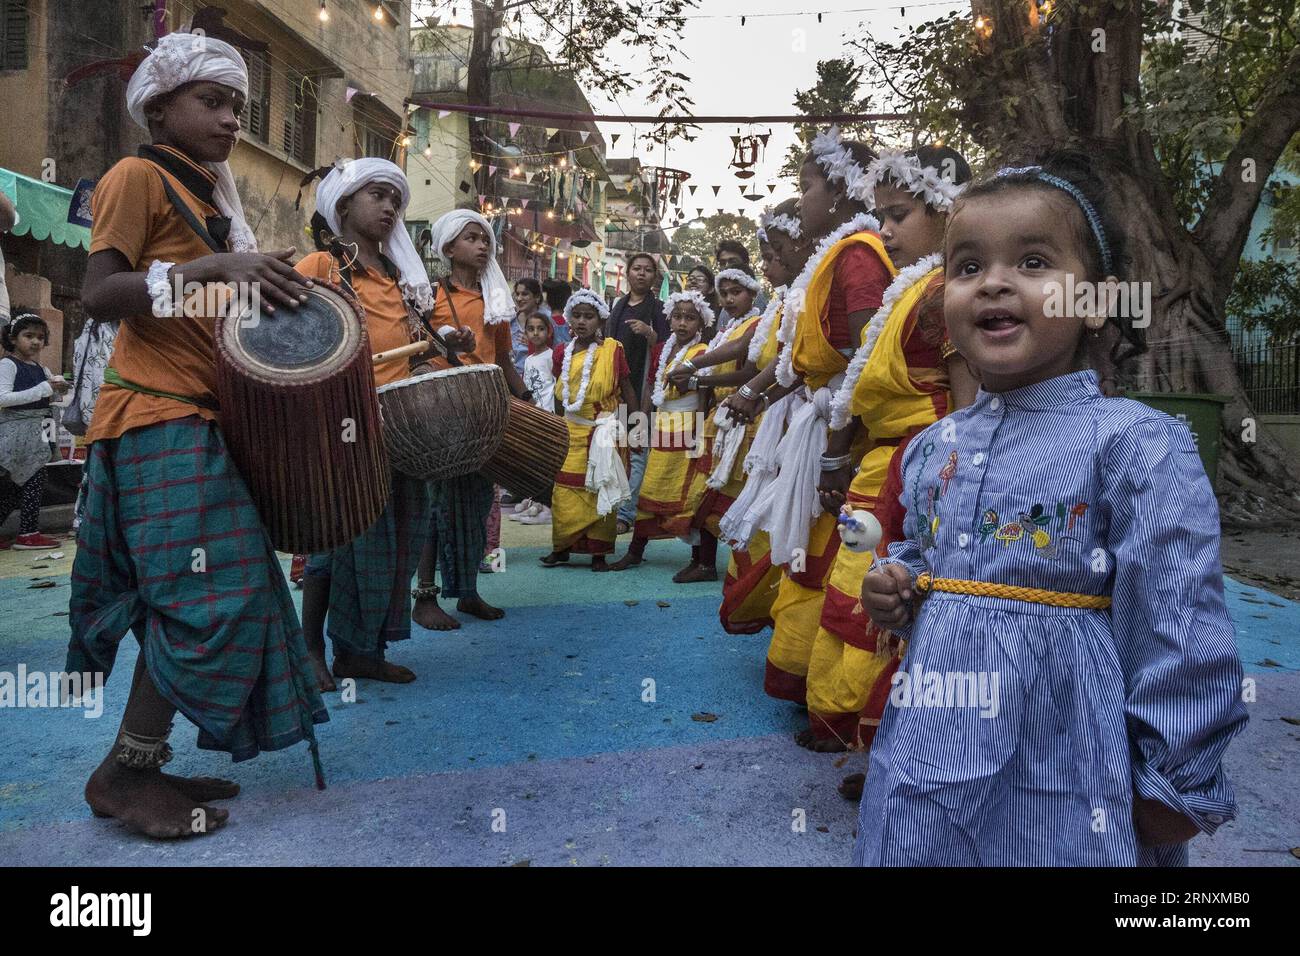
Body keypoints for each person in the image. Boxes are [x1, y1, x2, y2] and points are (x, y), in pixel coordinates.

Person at [854, 155, 1247, 866]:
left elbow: (1180, 621)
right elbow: (933, 560)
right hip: (933, 748)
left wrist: (1175, 781)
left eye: (1033, 261)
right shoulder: (930, 449)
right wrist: (901, 585)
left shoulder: (1132, 444)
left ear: (1094, 303)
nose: (994, 282)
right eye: (967, 267)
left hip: (1066, 763)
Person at [66, 31, 326, 839]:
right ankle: (124, 776)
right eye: (211, 102)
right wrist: (214, 272)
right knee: (213, 597)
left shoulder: (212, 198)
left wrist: (267, 281)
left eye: (238, 107)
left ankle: (140, 760)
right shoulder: (136, 175)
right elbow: (99, 294)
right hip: (153, 418)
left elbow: (204, 307)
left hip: (198, 417)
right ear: (160, 106)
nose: (230, 120)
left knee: (195, 597)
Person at [803, 145, 979, 757]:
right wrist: (843, 454)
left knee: (895, 598)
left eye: (899, 215)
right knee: (860, 590)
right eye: (880, 215)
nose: (883, 230)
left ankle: (892, 744)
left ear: (949, 211)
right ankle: (854, 731)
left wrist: (952, 488)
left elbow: (968, 412)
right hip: (885, 462)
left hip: (921, 469)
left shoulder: (944, 295)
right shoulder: (911, 288)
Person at [721, 127, 894, 720]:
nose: (803, 200)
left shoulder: (859, 257)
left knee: (825, 555)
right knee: (807, 552)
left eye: (808, 186)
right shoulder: (837, 256)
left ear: (845, 190)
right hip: (819, 424)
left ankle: (839, 704)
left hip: (839, 432)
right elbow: (805, 359)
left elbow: (867, 360)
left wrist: (836, 450)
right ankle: (809, 682)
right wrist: (756, 392)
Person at [295, 159, 435, 688]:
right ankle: (311, 649)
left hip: (398, 425)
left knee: (392, 538)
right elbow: (291, 343)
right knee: (336, 540)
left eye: (394, 199)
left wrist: (444, 351)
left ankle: (363, 651)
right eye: (377, 195)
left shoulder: (398, 278)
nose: (389, 207)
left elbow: (408, 355)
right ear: (344, 203)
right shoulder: (319, 267)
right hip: (339, 424)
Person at [412, 209, 529, 631]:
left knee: (476, 504)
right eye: (472, 238)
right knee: (434, 504)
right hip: (439, 411)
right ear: (448, 248)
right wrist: (440, 344)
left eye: (485, 239)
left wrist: (528, 400)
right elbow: (415, 352)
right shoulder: (429, 296)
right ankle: (424, 597)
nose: (483, 245)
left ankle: (466, 593)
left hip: (483, 411)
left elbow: (501, 360)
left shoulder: (493, 301)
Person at [605, 290, 712, 577]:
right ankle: (635, 552)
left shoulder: (703, 353)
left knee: (690, 495)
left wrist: (699, 433)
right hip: (661, 427)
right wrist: (640, 423)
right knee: (649, 490)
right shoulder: (663, 349)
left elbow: (704, 394)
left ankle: (699, 559)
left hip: (688, 426)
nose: (682, 323)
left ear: (701, 323)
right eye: (677, 316)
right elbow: (651, 390)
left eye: (690, 318)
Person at [542, 289, 639, 570]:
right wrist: (557, 428)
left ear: (600, 320)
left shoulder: (613, 350)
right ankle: (561, 548)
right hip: (571, 431)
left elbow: (628, 390)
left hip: (603, 432)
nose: (582, 321)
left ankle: (599, 553)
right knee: (564, 490)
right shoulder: (561, 352)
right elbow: (562, 395)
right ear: (570, 319)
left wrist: (637, 429)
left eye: (589, 316)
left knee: (600, 488)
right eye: (577, 315)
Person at [606, 252, 666, 534]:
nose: (641, 274)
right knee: (616, 450)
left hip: (643, 390)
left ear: (655, 276)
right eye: (636, 269)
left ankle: (627, 514)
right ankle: (613, 506)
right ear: (627, 273)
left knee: (638, 449)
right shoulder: (617, 307)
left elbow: (669, 350)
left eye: (647, 270)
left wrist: (650, 334)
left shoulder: (660, 311)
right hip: (615, 390)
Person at [0, 312, 66, 550]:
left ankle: (28, 531)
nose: (36, 342)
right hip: (15, 435)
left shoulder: (40, 368)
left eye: (40, 337)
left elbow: (45, 398)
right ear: (13, 338)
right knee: (22, 482)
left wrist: (56, 389)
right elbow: (3, 399)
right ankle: (28, 533)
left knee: (24, 482)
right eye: (28, 336)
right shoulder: (7, 365)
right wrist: (43, 388)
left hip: (36, 434)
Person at [510, 312, 557, 525]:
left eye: (540, 328)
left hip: (547, 415)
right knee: (533, 462)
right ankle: (535, 501)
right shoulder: (528, 359)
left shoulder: (551, 356)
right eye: (531, 329)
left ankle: (547, 506)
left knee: (547, 463)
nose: (536, 333)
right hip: (533, 416)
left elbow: (556, 385)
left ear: (548, 332)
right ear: (525, 332)